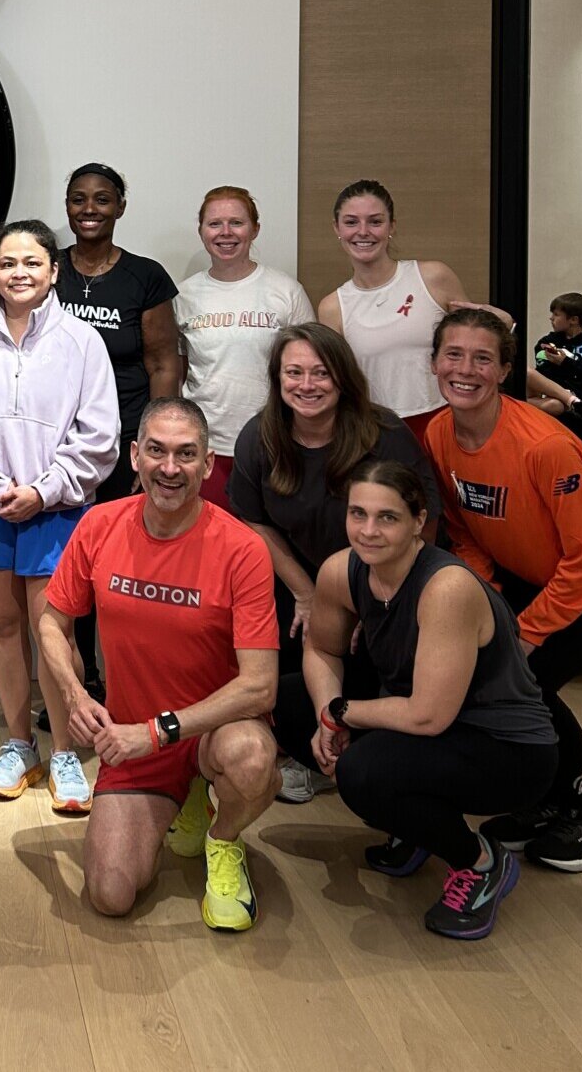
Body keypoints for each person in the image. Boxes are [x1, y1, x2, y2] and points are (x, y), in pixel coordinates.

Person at [39, 398, 280, 932]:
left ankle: (223, 839)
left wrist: (155, 733)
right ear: (135, 456)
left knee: (251, 758)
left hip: (210, 731)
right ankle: (189, 795)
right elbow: (51, 623)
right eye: (157, 451)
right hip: (131, 740)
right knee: (110, 894)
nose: (170, 468)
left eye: (186, 454)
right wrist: (76, 696)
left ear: (208, 464)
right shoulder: (99, 525)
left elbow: (260, 688)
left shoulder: (243, 548)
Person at [301, 460, 557, 939]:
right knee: (291, 705)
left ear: (419, 521)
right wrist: (323, 715)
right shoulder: (343, 570)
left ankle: (481, 863)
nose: (368, 531)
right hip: (429, 725)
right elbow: (321, 648)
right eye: (358, 514)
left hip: (508, 750)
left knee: (362, 773)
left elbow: (426, 717)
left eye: (387, 517)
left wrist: (340, 713)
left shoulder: (447, 587)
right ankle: (418, 826)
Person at [0, 218, 119, 812]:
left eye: (32, 262)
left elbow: (100, 436)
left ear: (54, 271)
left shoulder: (82, 341)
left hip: (55, 512)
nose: (19, 273)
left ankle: (65, 751)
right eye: (8, 263)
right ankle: (20, 745)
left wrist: (44, 490)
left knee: (53, 631)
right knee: (5, 626)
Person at [424, 307, 582, 873]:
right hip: (533, 578)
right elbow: (462, 527)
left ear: (505, 371)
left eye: (482, 358)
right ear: (434, 363)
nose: (465, 370)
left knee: (526, 684)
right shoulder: (438, 433)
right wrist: (489, 597)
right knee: (504, 679)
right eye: (453, 355)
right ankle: (547, 801)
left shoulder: (545, 446)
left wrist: (527, 632)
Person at [229, 322, 440, 803]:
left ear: (343, 377)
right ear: (277, 379)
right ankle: (312, 754)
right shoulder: (259, 436)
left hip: (388, 579)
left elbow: (422, 522)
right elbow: (254, 521)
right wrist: (307, 595)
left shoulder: (385, 434)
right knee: (280, 653)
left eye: (321, 373)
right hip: (301, 575)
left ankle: (384, 765)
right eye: (294, 373)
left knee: (377, 665)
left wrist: (375, 596)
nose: (307, 385)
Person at [55, 164, 181, 709]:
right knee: (68, 569)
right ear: (66, 206)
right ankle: (79, 684)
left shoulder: (145, 276)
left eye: (102, 199)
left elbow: (163, 364)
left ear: (120, 207)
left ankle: (127, 685)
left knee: (117, 566)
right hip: (56, 446)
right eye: (79, 199)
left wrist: (150, 450)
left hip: (122, 441)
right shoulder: (46, 268)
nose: (90, 209)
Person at [174, 185, 316, 509]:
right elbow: (178, 372)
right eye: (215, 224)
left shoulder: (286, 291)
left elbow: (310, 370)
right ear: (201, 231)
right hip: (205, 447)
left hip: (273, 443)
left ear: (255, 229)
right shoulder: (183, 296)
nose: (226, 232)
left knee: (266, 535)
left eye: (236, 223)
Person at [318, 179, 469, 441]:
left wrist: (504, 325)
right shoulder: (332, 307)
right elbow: (338, 385)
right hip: (375, 432)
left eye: (375, 221)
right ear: (337, 228)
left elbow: (474, 344)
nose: (363, 231)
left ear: (392, 226)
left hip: (445, 424)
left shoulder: (433, 277)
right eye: (351, 222)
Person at [528, 292, 582, 417]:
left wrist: (565, 362)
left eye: (556, 314)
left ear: (573, 320)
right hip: (550, 395)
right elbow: (544, 373)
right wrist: (580, 378)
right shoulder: (546, 342)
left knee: (555, 405)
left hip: (581, 401)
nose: (551, 318)